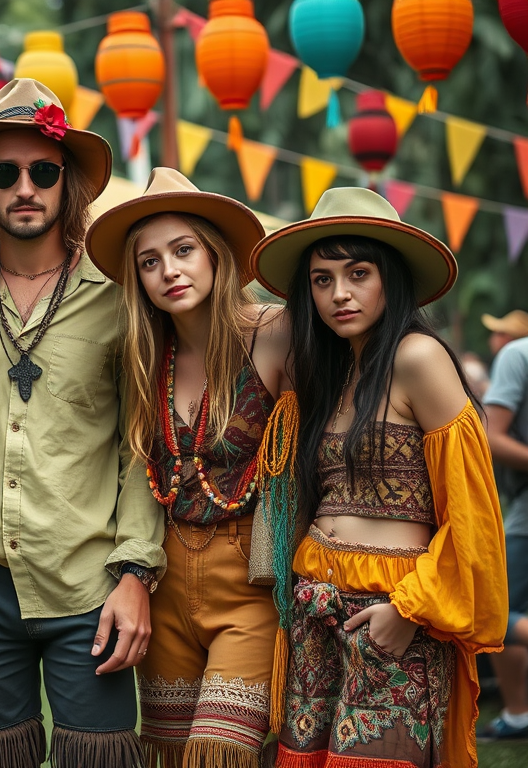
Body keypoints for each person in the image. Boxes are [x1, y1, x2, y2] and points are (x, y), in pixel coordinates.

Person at [0, 79, 166, 768]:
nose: (25, 187)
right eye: (5, 173)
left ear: (68, 183)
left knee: (99, 758)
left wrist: (136, 573)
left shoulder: (121, 297)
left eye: (43, 171)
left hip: (90, 579)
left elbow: (139, 446)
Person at [250, 187, 507, 767]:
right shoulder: (331, 372)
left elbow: (473, 515)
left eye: (358, 272)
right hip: (315, 609)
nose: (339, 293)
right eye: (321, 279)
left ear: (389, 277)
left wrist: (410, 611)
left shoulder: (417, 358)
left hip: (392, 611)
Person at [84, 167, 292, 767]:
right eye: (149, 262)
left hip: (250, 580)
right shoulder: (144, 354)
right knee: (173, 756)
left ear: (215, 254)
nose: (168, 270)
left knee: (219, 752)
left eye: (183, 250)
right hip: (165, 578)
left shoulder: (276, 334)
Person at [478, 314, 528, 740]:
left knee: (494, 612)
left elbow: (491, 434)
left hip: (524, 517)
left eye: (500, 331)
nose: (495, 339)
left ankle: (516, 714)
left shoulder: (518, 354)